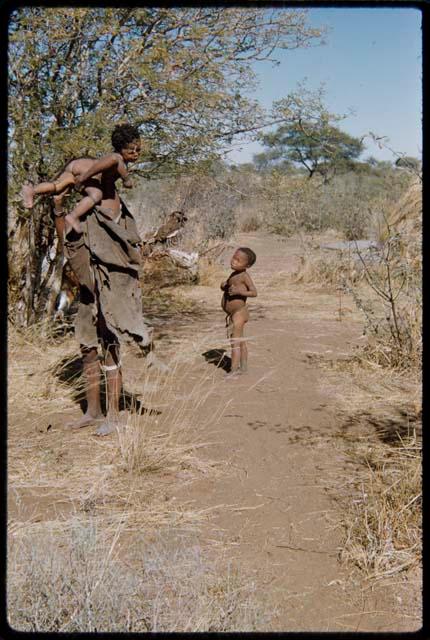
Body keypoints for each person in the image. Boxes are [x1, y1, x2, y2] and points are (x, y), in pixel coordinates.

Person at [53, 123, 153, 436]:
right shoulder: (80, 215)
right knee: (88, 349)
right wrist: (58, 208)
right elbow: (67, 247)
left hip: (112, 290)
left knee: (111, 346)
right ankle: (92, 412)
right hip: (88, 292)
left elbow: (122, 249)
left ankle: (114, 415)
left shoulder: (112, 208)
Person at [21, 128, 135, 234]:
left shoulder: (118, 158)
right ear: (121, 149)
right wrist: (126, 179)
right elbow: (113, 160)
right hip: (85, 171)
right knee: (96, 194)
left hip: (76, 165)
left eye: (138, 151)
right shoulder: (117, 158)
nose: (136, 154)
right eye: (131, 151)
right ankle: (73, 216)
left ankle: (32, 191)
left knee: (57, 186)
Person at [221, 247, 257, 376]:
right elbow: (229, 285)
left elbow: (254, 292)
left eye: (238, 260)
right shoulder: (234, 274)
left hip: (239, 313)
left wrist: (239, 292)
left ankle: (233, 370)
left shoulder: (244, 276)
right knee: (240, 340)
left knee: (235, 342)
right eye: (233, 258)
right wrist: (224, 285)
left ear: (247, 265)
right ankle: (243, 367)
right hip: (233, 314)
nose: (234, 261)